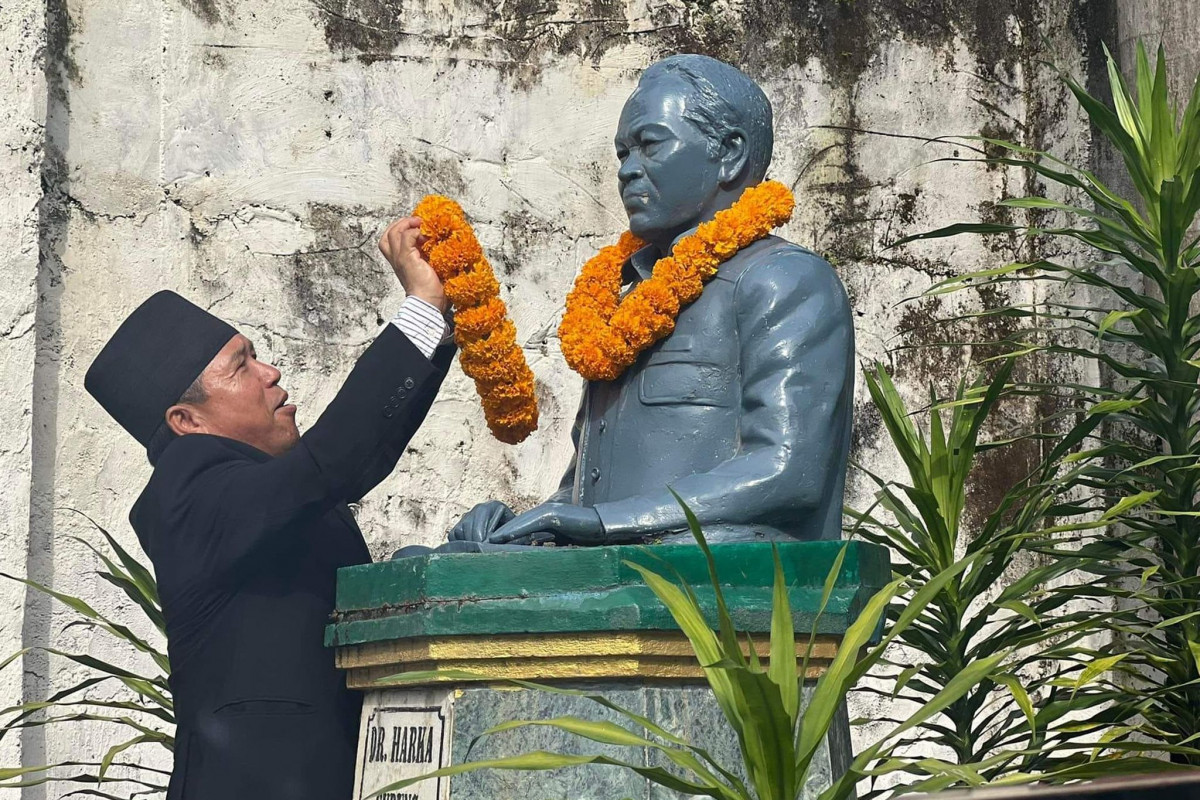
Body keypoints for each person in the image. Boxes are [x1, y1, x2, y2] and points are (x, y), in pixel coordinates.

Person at [84, 217, 452, 800]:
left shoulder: (271, 494)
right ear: (188, 422)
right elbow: (332, 461)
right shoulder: (189, 491)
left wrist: (441, 321)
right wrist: (420, 309)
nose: (270, 371)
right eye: (241, 365)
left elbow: (356, 458)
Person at [449, 54, 854, 547]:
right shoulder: (625, 300)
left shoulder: (782, 280)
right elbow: (585, 497)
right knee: (438, 560)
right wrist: (522, 525)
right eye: (623, 153)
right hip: (613, 572)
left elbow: (788, 470)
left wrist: (600, 525)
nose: (627, 171)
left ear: (729, 153)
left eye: (650, 145)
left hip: (720, 587)